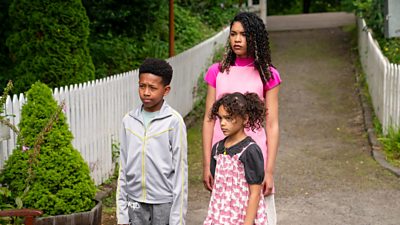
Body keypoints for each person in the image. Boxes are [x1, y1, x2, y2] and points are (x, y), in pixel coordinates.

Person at [202, 11, 281, 224]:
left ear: (255, 37)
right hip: (223, 157)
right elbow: (209, 119)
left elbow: (272, 124)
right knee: (226, 212)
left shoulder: (267, 74)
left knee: (259, 214)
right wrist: (206, 163)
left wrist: (270, 170)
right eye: (233, 34)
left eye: (244, 34)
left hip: (254, 156)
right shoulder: (216, 72)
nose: (237, 39)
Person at [117, 58, 188, 225]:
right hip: (134, 202)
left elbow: (181, 173)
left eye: (153, 88)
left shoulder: (174, 122)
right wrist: (121, 215)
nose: (146, 92)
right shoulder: (129, 121)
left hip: (164, 203)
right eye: (142, 86)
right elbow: (123, 169)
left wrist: (177, 220)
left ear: (166, 90)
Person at [203, 92, 267, 225]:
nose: (222, 123)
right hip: (220, 216)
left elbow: (255, 193)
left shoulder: (250, 150)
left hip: (242, 217)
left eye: (229, 118)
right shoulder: (217, 149)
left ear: (245, 119)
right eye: (220, 118)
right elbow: (218, 188)